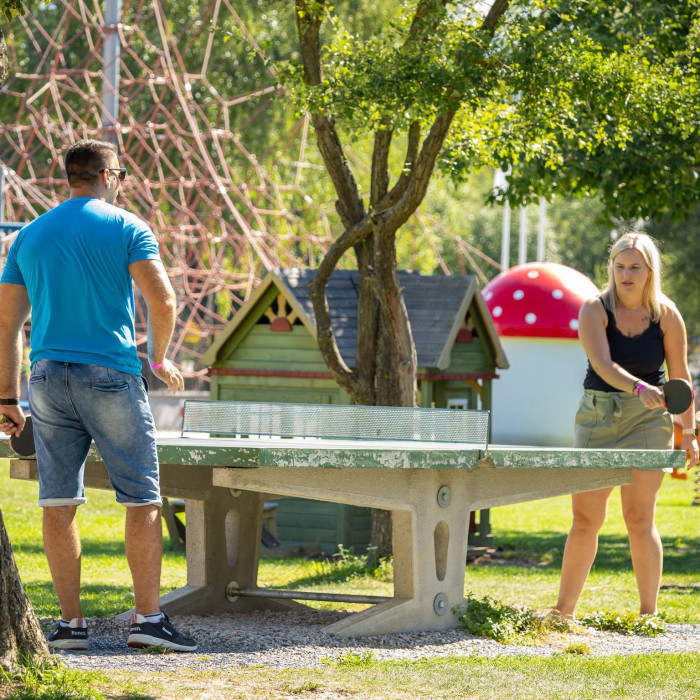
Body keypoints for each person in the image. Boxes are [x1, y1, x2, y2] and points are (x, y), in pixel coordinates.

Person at [0, 139, 197, 652]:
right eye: (122, 175)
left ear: (71, 177)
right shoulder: (128, 226)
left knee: (58, 501)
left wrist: (6, 399)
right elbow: (163, 298)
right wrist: (158, 359)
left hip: (46, 379)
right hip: (110, 375)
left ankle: (70, 627)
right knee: (142, 496)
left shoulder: (29, 235)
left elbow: (6, 323)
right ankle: (148, 620)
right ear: (110, 176)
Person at [553, 232, 698, 620]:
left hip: (649, 420)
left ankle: (648, 616)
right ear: (611, 268)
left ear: (650, 271)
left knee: (640, 518)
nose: (626, 275)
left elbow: (680, 379)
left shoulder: (667, 315)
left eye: (634, 267)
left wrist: (689, 434)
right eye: (619, 267)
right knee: (586, 519)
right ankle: (563, 614)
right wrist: (639, 387)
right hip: (598, 415)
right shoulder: (594, 309)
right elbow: (602, 364)